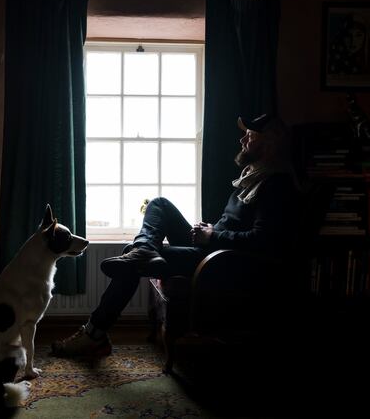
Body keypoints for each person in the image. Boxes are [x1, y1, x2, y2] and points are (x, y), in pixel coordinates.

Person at [50, 113, 299, 357]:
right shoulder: (253, 178)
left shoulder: (276, 185)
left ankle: (94, 334)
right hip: (212, 248)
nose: (243, 140)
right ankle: (144, 250)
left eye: (250, 135)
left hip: (224, 262)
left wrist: (213, 237)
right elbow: (237, 225)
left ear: (269, 143)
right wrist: (211, 229)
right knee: (159, 204)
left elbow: (263, 242)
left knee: (130, 257)